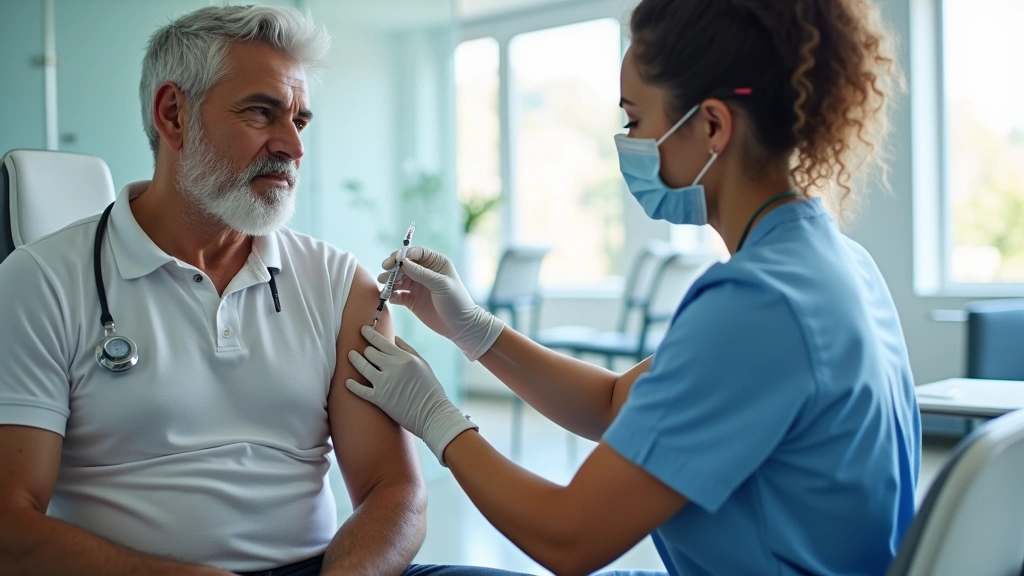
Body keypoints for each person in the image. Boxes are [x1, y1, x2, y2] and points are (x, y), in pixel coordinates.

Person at [347, 0, 921, 575]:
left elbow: (568, 538)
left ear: (713, 125)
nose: (629, 144)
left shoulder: (760, 305)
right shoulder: (836, 262)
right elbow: (616, 404)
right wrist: (474, 329)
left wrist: (436, 417)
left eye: (635, 121)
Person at [0, 6, 526, 576]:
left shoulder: (336, 281)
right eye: (261, 113)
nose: (293, 147)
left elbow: (393, 490)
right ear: (173, 114)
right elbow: (9, 524)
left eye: (299, 121)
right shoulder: (42, 281)